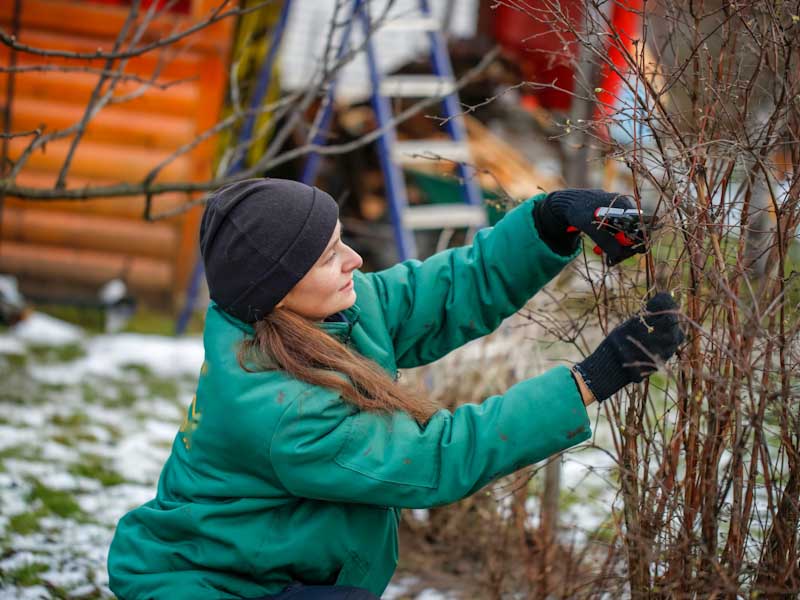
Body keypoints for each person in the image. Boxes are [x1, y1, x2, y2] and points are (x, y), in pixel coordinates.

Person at [108, 178, 684, 599]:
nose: (354, 259)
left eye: (341, 241)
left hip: (260, 572)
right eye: (330, 254)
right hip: (209, 589)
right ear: (278, 288)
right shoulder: (281, 407)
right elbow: (434, 458)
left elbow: (452, 288)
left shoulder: (317, 318)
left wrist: (551, 220)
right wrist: (590, 380)